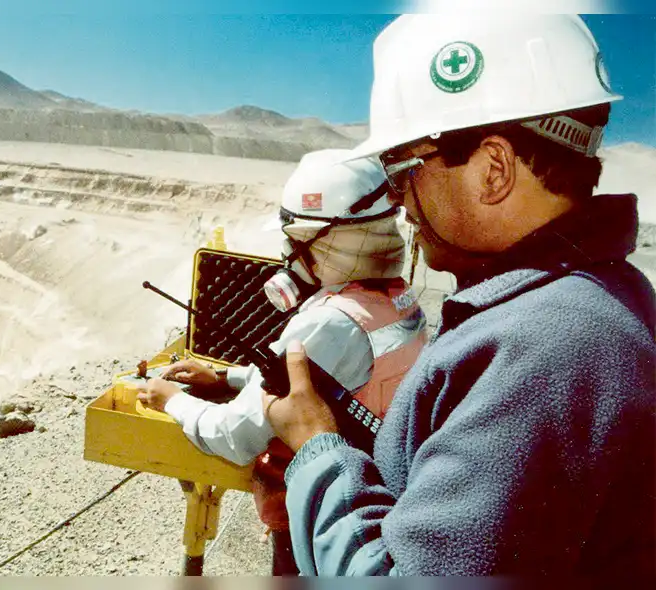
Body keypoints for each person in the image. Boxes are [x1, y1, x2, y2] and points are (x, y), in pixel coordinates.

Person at [262, 14, 656, 576]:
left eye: (402, 170)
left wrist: (316, 450)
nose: (400, 202)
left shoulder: (545, 347)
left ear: (493, 170)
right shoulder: (588, 298)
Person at [137, 148, 429, 575]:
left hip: (315, 522)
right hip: (367, 492)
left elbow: (233, 436)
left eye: (295, 240)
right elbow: (325, 382)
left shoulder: (327, 323)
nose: (289, 254)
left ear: (327, 241)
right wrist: (225, 377)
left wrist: (171, 400)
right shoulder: (397, 300)